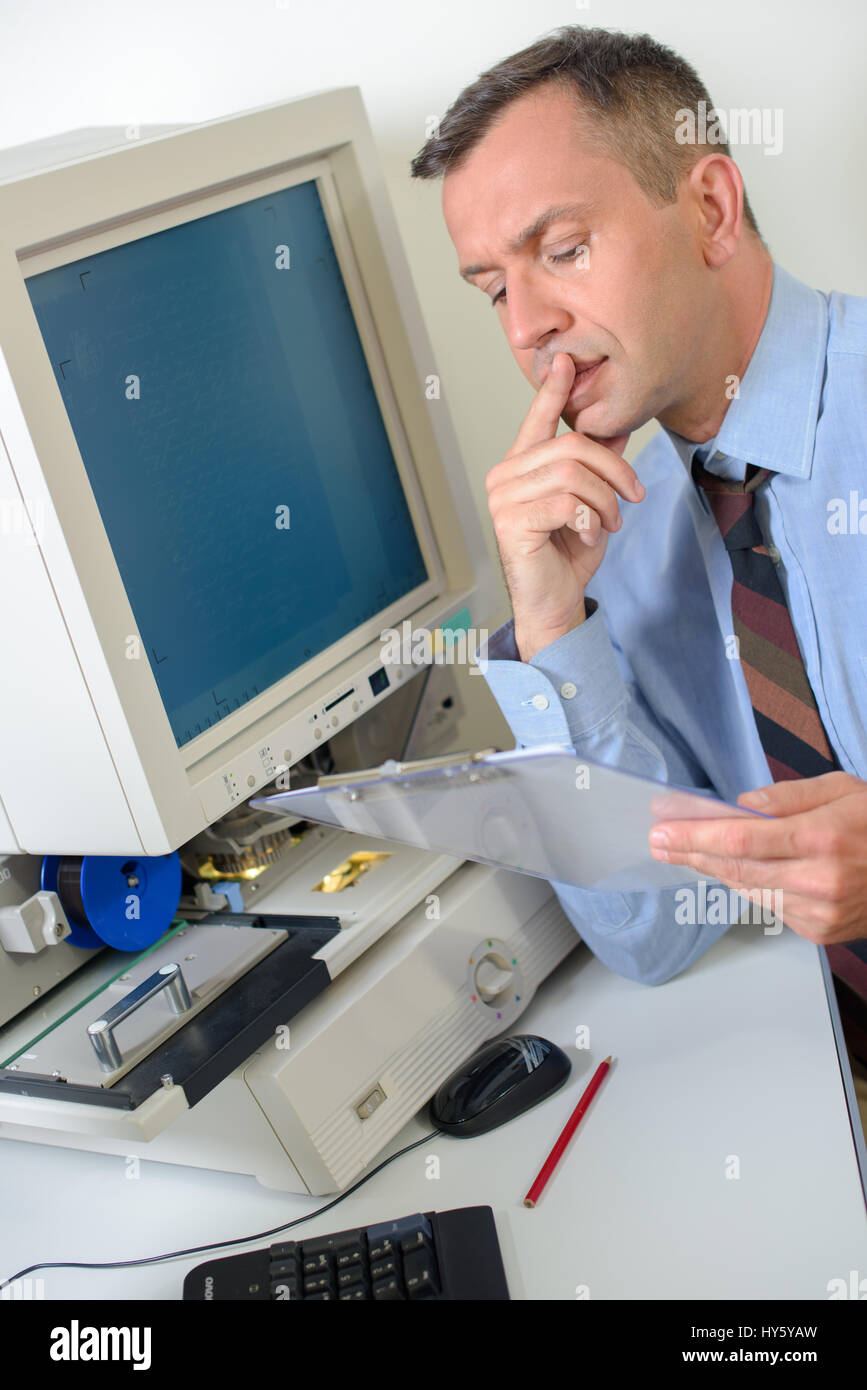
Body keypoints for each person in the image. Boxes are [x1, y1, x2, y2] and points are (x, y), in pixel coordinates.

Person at [409, 21, 867, 1082]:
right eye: (492, 288)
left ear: (710, 208)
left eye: (563, 250)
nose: (529, 324)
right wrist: (552, 626)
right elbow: (654, 933)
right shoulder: (612, 526)